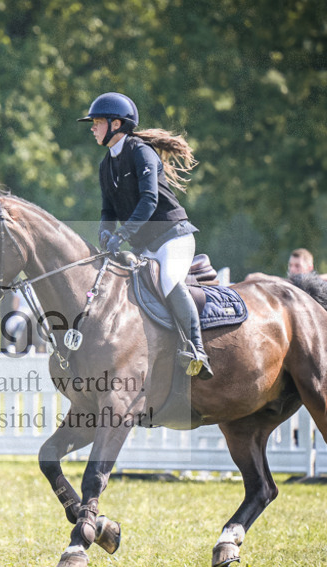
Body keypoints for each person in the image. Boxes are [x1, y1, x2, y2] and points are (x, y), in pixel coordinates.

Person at [79, 91, 212, 379]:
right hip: (145, 245)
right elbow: (108, 208)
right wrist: (105, 232)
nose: (92, 127)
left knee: (166, 280)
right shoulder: (106, 164)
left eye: (97, 122)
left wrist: (123, 234)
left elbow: (149, 200)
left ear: (116, 124)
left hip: (172, 238)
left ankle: (197, 350)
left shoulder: (141, 152)